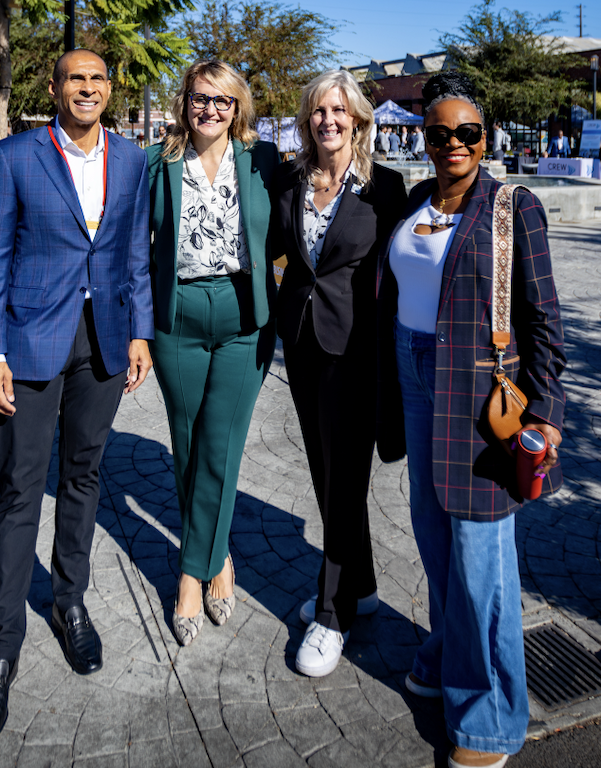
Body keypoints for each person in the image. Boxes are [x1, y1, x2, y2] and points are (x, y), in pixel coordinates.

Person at [0, 49, 154, 746]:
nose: (88, 87)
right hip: (31, 344)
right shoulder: (15, 157)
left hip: (103, 342)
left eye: (98, 79)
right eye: (76, 78)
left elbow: (134, 252)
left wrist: (140, 335)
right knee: (18, 490)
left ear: (110, 91)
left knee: (84, 477)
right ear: (54, 89)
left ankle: (68, 602)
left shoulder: (132, 159)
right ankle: (0, 649)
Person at [384, 70, 565, 767]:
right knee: (433, 529)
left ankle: (490, 719)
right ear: (423, 139)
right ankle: (444, 649)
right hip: (413, 370)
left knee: (480, 549)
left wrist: (547, 411)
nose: (453, 143)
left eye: (467, 132)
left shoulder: (512, 206)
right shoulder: (418, 198)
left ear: (485, 138)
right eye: (440, 133)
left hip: (481, 389)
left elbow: (544, 316)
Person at [270, 69, 408, 678]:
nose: (328, 120)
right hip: (302, 346)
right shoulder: (292, 181)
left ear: (357, 118)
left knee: (347, 476)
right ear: (308, 121)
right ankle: (364, 585)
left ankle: (332, 614)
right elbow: (276, 249)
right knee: (327, 472)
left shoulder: (386, 188)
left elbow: (404, 271)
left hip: (357, 350)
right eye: (318, 111)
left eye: (338, 110)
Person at [145, 59, 279, 647]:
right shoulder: (158, 162)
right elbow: (130, 247)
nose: (211, 110)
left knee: (220, 444)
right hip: (176, 319)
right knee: (187, 440)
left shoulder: (264, 161)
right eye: (202, 98)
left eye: (223, 101)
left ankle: (191, 575)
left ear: (238, 108)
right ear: (185, 101)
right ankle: (218, 556)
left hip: (242, 319)